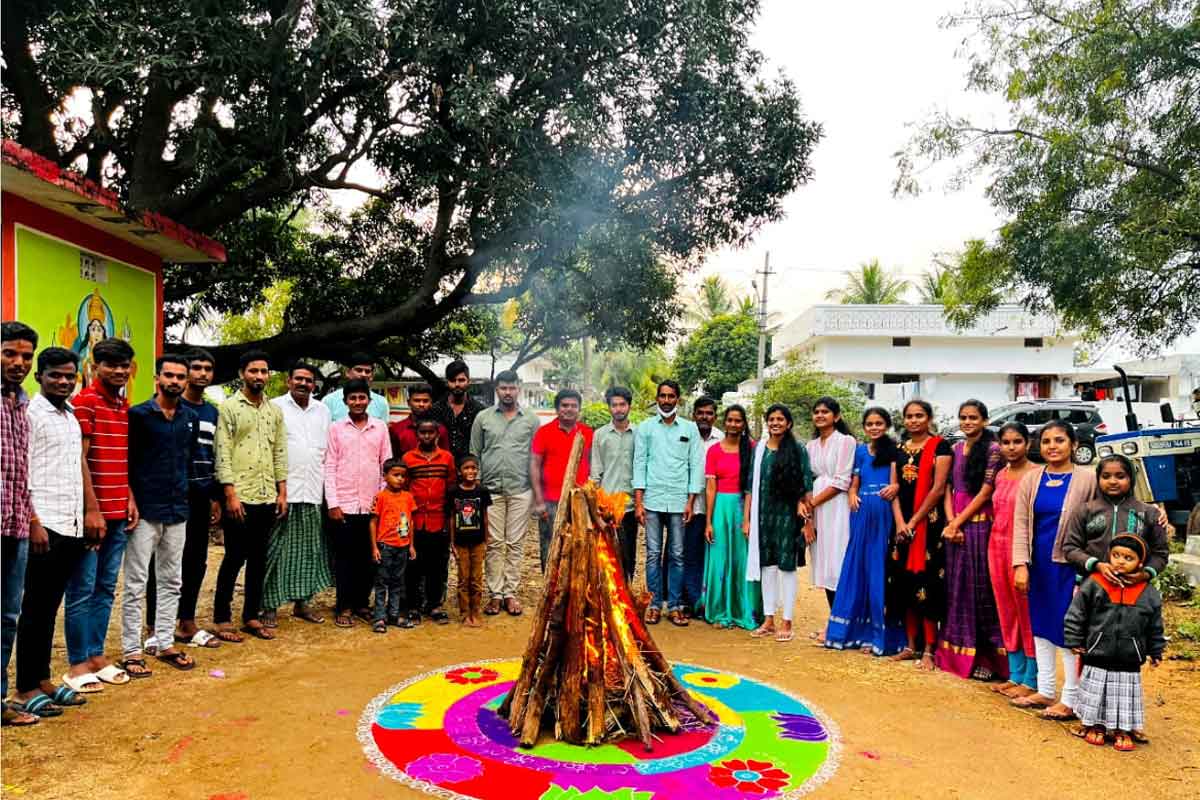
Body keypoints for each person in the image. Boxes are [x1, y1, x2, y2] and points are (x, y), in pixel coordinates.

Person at [1010, 420, 1098, 720]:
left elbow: (1111, 506)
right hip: (1038, 565)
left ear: (1073, 444)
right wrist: (1020, 563)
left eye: (1059, 440)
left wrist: (1155, 513)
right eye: (1046, 441)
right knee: (1041, 626)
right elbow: (1021, 523)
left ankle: (1071, 698)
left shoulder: (1088, 479)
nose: (1052, 446)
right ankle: (1046, 689)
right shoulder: (1032, 479)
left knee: (1068, 630)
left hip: (1069, 567)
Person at [64, 336, 138, 689]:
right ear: (95, 367)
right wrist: (92, 511)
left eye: (124, 365)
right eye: (111, 365)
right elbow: (81, 459)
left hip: (117, 514)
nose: (119, 371)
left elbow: (120, 460)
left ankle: (96, 654)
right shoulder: (84, 402)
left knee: (107, 588)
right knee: (82, 589)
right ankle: (78, 663)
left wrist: (129, 499)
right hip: (92, 518)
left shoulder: (124, 407)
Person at [119, 355, 200, 676]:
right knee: (136, 582)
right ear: (157, 378)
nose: (175, 381)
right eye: (169, 375)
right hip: (144, 511)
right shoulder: (138, 416)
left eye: (181, 376)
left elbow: (189, 461)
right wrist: (130, 499)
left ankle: (164, 641)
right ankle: (131, 650)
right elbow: (126, 463)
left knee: (171, 580)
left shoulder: (188, 418)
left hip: (178, 509)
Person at [1063, 534, 1165, 752]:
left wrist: (1156, 650)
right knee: (1096, 693)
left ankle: (1122, 729)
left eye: (1128, 558)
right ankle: (1095, 725)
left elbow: (1155, 626)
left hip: (1128, 658)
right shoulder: (1095, 583)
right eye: (1116, 555)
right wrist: (1073, 639)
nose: (1120, 561)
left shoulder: (1147, 592)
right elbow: (1076, 614)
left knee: (1123, 697)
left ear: (1140, 563)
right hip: (1097, 653)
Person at [213, 349, 288, 643]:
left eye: (264, 371)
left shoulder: (274, 412)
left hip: (267, 495)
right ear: (242, 373)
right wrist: (230, 494)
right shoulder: (229, 408)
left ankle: (251, 616)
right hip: (239, 496)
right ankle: (221, 618)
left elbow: (279, 452)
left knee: (259, 558)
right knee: (234, 557)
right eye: (253, 371)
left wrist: (282, 492)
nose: (259, 376)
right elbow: (222, 453)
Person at [824, 407, 905, 656]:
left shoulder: (894, 451)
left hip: (883, 512)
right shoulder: (860, 451)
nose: (874, 427)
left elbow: (894, 483)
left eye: (879, 423)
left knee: (878, 571)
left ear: (887, 425)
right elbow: (854, 483)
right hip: (860, 513)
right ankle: (852, 634)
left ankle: (879, 637)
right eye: (869, 423)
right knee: (857, 568)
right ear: (864, 426)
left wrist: (895, 489)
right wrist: (851, 496)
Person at [936, 399, 1007, 680]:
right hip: (955, 527)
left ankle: (988, 658)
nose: (967, 422)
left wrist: (957, 522)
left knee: (980, 590)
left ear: (985, 421)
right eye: (963, 417)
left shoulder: (993, 450)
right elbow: (948, 488)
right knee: (957, 589)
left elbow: (986, 491)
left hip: (978, 527)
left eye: (973, 418)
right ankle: (958, 653)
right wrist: (950, 521)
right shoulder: (956, 449)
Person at [3, 327, 52, 726]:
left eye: (25, 356)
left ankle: (1, 701)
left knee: (7, 617)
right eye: (9, 354)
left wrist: (31, 519)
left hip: (15, 527)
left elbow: (21, 472)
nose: (19, 363)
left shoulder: (22, 405)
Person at [263, 363, 333, 627]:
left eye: (309, 380)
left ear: (314, 384)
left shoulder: (323, 410)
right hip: (283, 491)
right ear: (288, 380)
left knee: (309, 551)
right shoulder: (275, 407)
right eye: (299, 379)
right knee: (276, 550)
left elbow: (326, 451)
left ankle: (303, 603)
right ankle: (269, 606)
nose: (304, 384)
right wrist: (276, 489)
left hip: (314, 490)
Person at [885, 399, 952, 671]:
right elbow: (894, 488)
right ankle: (910, 646)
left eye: (919, 416)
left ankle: (929, 650)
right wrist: (901, 523)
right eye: (909, 416)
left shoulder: (940, 447)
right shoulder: (898, 449)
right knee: (903, 584)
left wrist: (913, 522)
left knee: (927, 587)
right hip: (902, 528)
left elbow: (937, 489)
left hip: (928, 527)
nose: (913, 420)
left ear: (929, 418)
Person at [470, 369, 539, 616]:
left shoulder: (531, 420)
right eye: (503, 388)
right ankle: (495, 595)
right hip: (490, 491)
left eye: (512, 387)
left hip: (521, 490)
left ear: (518, 387)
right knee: (496, 543)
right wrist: (476, 487)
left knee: (515, 543)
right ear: (496, 389)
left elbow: (535, 457)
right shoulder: (483, 418)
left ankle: (510, 593)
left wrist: (535, 492)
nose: (508, 392)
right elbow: (474, 453)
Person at [633, 381, 703, 626]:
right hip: (652, 500)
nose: (666, 400)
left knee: (677, 554)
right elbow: (639, 464)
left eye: (670, 396)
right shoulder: (646, 428)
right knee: (652, 554)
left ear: (678, 399)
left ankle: (673, 606)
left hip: (678, 501)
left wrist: (691, 500)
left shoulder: (690, 429)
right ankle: (653, 604)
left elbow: (696, 466)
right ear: (657, 398)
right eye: (662, 396)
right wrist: (639, 502)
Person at [745, 404, 814, 643]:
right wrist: (747, 519)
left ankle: (787, 620)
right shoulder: (760, 449)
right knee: (767, 567)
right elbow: (750, 486)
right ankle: (768, 619)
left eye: (780, 419)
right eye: (772, 419)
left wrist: (807, 521)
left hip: (787, 516)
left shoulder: (798, 450)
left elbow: (806, 487)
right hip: (763, 516)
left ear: (789, 423)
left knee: (786, 567)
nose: (775, 423)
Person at [325, 379, 391, 628]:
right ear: (345, 402)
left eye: (362, 398)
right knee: (344, 559)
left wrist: (382, 502)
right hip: (344, 504)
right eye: (352, 398)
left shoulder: (380, 428)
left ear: (369, 400)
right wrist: (333, 503)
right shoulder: (336, 428)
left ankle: (363, 603)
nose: (357, 402)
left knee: (369, 558)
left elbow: (387, 464)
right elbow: (330, 465)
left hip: (372, 505)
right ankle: (344, 605)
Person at [168, 349, 222, 648]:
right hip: (173, 495)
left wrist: (215, 496)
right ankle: (155, 625)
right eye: (196, 368)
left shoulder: (213, 412)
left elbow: (213, 455)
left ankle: (187, 621)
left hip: (202, 495)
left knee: (196, 560)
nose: (202, 373)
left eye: (207, 369)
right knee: (164, 561)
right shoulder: (170, 406)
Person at [987, 422, 1039, 698]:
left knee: (1026, 613)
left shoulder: (1036, 475)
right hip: (995, 548)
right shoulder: (1000, 475)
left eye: (1017, 441)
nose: (1011, 447)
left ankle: (1033, 677)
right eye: (1006, 442)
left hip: (1022, 552)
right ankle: (1015, 673)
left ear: (1028, 443)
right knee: (1006, 611)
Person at [1062, 454, 1170, 585]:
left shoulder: (1149, 513)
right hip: (1092, 585)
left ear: (1131, 479)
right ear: (1098, 479)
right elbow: (1070, 548)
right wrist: (1096, 565)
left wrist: (1145, 574)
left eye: (1120, 476)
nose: (1112, 481)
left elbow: (1160, 554)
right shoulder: (1085, 511)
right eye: (1106, 476)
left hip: (1134, 588)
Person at [701, 405, 760, 630]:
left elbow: (751, 487)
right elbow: (710, 488)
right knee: (719, 558)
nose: (734, 424)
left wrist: (747, 519)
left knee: (742, 559)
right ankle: (719, 610)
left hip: (743, 507)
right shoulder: (714, 450)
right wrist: (708, 522)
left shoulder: (752, 449)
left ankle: (743, 610)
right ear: (724, 422)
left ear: (744, 424)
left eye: (738, 421)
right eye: (730, 420)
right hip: (720, 510)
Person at [805, 396, 856, 640]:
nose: (820, 416)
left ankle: (843, 624)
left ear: (836, 416)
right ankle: (833, 622)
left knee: (838, 563)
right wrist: (808, 514)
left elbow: (842, 481)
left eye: (826, 412)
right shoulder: (811, 446)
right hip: (817, 510)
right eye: (817, 412)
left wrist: (813, 502)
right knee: (824, 565)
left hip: (837, 507)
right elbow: (806, 480)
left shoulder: (846, 441)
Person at [531, 389, 593, 572]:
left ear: (579, 409)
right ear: (557, 409)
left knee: (578, 546)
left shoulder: (587, 433)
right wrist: (539, 501)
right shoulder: (544, 432)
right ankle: (549, 595)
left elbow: (591, 464)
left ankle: (573, 594)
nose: (569, 409)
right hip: (551, 501)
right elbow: (534, 466)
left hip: (578, 501)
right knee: (550, 547)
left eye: (574, 406)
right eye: (565, 405)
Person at [403, 419, 457, 624]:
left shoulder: (446, 458)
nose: (426, 436)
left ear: (437, 435)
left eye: (430, 433)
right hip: (415, 522)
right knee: (414, 566)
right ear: (417, 434)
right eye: (422, 433)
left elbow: (451, 487)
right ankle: (413, 606)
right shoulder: (408, 458)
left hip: (439, 520)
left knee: (437, 566)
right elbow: (404, 488)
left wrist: (449, 519)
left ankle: (434, 605)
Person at [592, 386, 638, 583]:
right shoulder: (600, 435)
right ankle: (609, 599)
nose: (618, 409)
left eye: (622, 405)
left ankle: (626, 594)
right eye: (614, 405)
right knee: (607, 555)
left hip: (629, 507)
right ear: (609, 407)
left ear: (629, 406)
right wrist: (595, 507)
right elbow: (596, 472)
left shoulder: (639, 434)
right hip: (607, 506)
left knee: (629, 554)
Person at [684, 396, 722, 616]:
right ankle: (692, 601)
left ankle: (713, 601)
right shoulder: (686, 436)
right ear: (694, 415)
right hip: (692, 507)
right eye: (701, 413)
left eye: (709, 413)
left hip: (716, 509)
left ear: (715, 416)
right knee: (690, 554)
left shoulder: (723, 439)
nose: (704, 417)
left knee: (714, 556)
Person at [370, 459, 417, 633]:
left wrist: (411, 545)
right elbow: (373, 522)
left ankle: (394, 615)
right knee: (382, 582)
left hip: (402, 546)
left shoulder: (408, 497)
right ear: (385, 476)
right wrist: (374, 547)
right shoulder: (380, 497)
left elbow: (410, 522)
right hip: (385, 546)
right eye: (395, 475)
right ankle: (379, 618)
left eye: (403, 476)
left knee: (398, 582)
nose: (400, 479)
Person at [449, 454, 492, 628]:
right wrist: (452, 541)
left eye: (473, 468)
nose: (471, 471)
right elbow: (452, 517)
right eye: (466, 468)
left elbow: (485, 517)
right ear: (459, 472)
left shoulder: (482, 491)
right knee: (463, 578)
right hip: (460, 542)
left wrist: (487, 539)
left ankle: (476, 611)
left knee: (476, 578)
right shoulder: (454, 492)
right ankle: (465, 613)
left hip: (478, 541)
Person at [433, 359, 485, 460]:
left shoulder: (479, 410)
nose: (457, 384)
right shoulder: (436, 409)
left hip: (470, 469)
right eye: (453, 380)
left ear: (468, 381)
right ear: (447, 382)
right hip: (442, 466)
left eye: (461, 380)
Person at [323, 352, 390, 422]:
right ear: (348, 372)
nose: (364, 374)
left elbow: (384, 430)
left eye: (367, 371)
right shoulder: (329, 401)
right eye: (359, 370)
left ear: (372, 376)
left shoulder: (381, 403)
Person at [388, 384, 449, 457]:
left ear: (431, 403)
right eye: (416, 400)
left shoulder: (441, 430)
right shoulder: (396, 429)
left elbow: (445, 458)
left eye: (425, 401)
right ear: (408, 403)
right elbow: (394, 461)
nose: (421, 404)